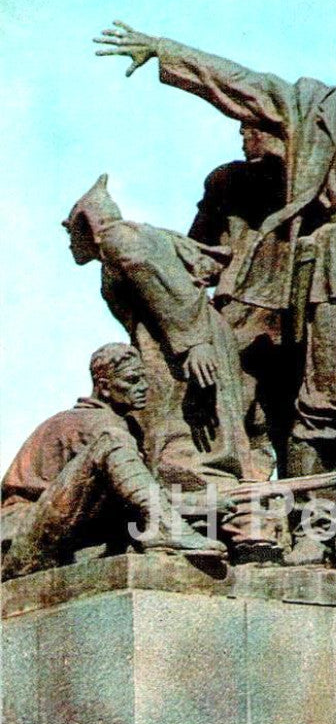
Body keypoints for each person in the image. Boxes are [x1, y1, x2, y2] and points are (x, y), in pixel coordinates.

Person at [93, 8, 336, 571]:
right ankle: (311, 530)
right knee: (323, 405)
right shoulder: (317, 106)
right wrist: (165, 48)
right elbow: (244, 86)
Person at [64, 175, 257, 501]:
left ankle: (196, 502)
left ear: (88, 225)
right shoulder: (130, 237)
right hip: (175, 338)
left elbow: (166, 284)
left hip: (179, 343)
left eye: (71, 232)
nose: (70, 243)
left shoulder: (119, 239)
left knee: (181, 426)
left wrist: (195, 343)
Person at [1, 344, 226, 579]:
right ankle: (167, 529)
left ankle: (167, 527)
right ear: (105, 388)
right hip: (20, 542)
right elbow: (126, 500)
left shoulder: (116, 423)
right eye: (132, 380)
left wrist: (200, 503)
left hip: (53, 535)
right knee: (112, 440)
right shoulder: (92, 424)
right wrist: (195, 504)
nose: (143, 388)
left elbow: (134, 495)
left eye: (143, 379)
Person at [188, 119, 294, 475]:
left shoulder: (230, 178)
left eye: (247, 131)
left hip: (260, 304)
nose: (243, 140)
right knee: (255, 405)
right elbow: (200, 252)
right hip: (270, 305)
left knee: (245, 401)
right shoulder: (311, 175)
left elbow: (199, 249)